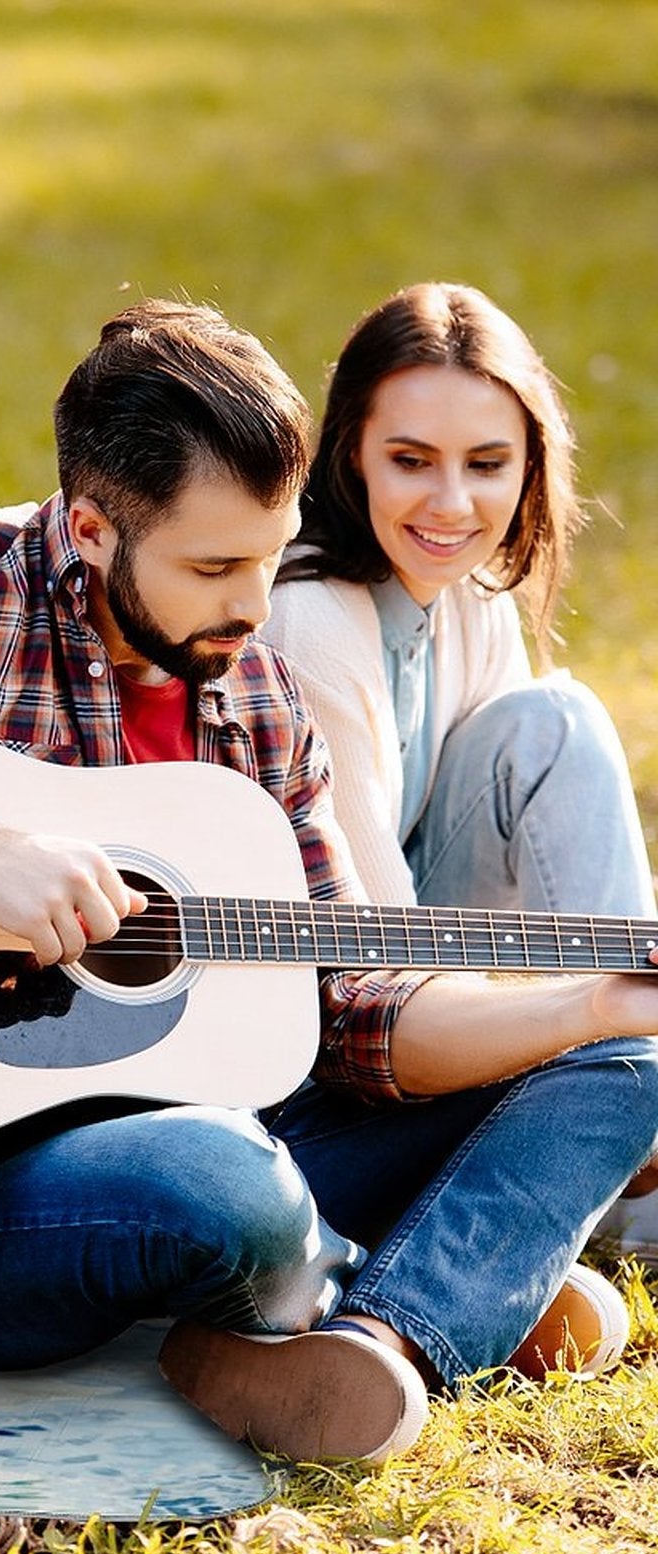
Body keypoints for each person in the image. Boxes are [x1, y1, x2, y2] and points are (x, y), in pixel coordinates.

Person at [0, 300, 658, 1466]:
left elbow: (357, 1006)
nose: (255, 608)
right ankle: (438, 1275)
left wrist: (587, 1005)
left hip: (217, 1134)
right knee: (223, 1185)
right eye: (212, 567)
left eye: (269, 553)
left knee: (625, 1064)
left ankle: (386, 1338)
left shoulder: (253, 697)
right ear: (91, 528)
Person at [262, 282, 658, 1256]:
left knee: (547, 722)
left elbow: (518, 894)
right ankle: (622, 1166)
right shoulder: (310, 618)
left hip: (426, 987)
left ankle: (623, 1114)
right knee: (557, 721)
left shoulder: (468, 592)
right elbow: (376, 963)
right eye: (410, 460)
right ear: (349, 449)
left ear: (530, 465)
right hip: (329, 1045)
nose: (451, 503)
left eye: (487, 464)